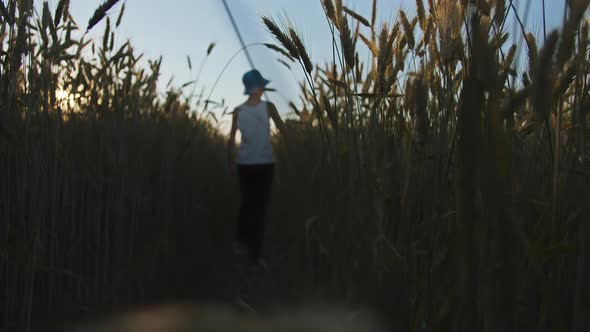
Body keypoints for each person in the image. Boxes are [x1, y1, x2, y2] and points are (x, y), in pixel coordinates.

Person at [227, 69, 287, 266]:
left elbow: (230, 139)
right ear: (258, 88)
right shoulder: (269, 107)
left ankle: (240, 242)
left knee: (246, 203)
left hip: (243, 163)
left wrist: (230, 162)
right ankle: (255, 255)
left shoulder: (238, 110)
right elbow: (284, 131)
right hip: (265, 163)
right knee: (260, 208)